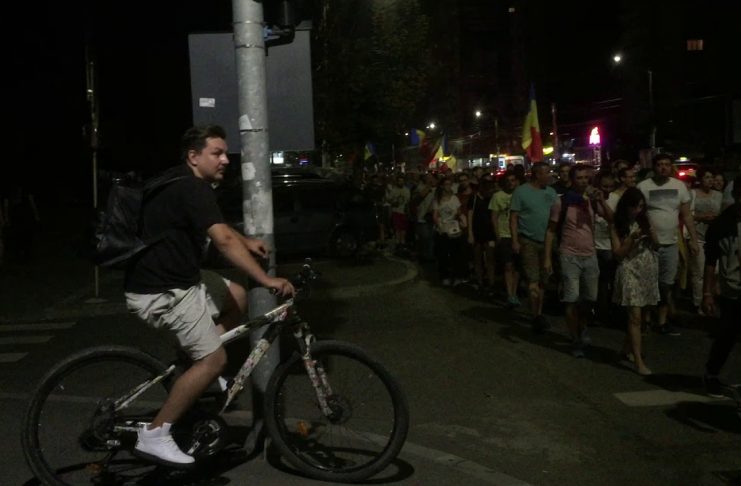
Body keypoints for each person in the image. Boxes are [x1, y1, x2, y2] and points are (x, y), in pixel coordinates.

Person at [124, 125, 294, 467]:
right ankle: (156, 434)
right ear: (194, 156)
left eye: (224, 153)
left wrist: (246, 241)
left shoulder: (182, 180)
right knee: (215, 360)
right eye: (216, 153)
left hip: (176, 278)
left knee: (237, 296)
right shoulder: (193, 188)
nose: (225, 160)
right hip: (164, 290)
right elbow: (223, 241)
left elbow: (217, 226)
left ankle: (194, 363)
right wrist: (266, 279)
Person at [545, 164, 611, 357]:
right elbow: (550, 231)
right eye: (579, 178)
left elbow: (611, 218)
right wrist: (547, 258)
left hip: (590, 255)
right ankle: (575, 339)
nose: (583, 181)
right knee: (571, 299)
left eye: (586, 178)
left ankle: (582, 327)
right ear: (572, 180)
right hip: (569, 255)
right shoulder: (562, 202)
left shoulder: (592, 200)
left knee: (590, 299)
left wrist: (601, 200)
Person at [637, 154, 699, 336]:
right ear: (654, 167)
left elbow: (686, 215)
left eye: (666, 164)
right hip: (649, 243)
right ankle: (646, 319)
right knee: (648, 282)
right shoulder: (643, 187)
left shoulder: (679, 186)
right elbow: (639, 214)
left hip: (671, 242)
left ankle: (662, 321)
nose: (663, 168)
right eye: (659, 164)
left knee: (666, 284)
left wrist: (693, 239)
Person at [611, 188, 659, 375]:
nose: (638, 210)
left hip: (646, 268)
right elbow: (618, 254)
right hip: (629, 269)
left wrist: (651, 232)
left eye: (641, 207)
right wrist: (632, 239)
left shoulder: (645, 221)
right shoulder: (616, 225)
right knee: (635, 316)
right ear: (626, 206)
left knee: (643, 316)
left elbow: (657, 245)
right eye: (635, 207)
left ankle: (626, 348)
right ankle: (638, 360)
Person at [701, 174, 741, 397]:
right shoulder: (722, 224)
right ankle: (712, 374)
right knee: (727, 335)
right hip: (732, 289)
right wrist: (707, 292)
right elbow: (710, 261)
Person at [510, 163, 558, 332]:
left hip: (547, 241)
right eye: (547, 172)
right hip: (528, 240)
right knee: (533, 280)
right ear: (537, 174)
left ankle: (538, 312)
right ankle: (535, 316)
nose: (550, 175)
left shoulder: (551, 192)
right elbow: (514, 217)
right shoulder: (521, 192)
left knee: (543, 281)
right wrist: (515, 240)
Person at [689, 168, 723, 312]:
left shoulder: (719, 195)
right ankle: (699, 304)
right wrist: (701, 217)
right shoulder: (693, 194)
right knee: (699, 272)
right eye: (707, 177)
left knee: (716, 272)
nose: (710, 180)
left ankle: (712, 300)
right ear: (700, 179)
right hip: (699, 236)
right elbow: (687, 214)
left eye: (711, 177)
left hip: (715, 238)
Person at [490, 172, 521, 308]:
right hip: (505, 234)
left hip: (519, 234)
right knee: (508, 265)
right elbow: (494, 217)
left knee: (517, 266)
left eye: (513, 180)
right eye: (508, 181)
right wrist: (497, 235)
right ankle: (510, 294)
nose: (510, 183)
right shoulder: (498, 196)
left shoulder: (520, 195)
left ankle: (514, 292)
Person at [592, 171, 617, 324]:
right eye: (604, 187)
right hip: (593, 245)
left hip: (609, 246)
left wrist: (602, 201)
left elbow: (612, 218)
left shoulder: (615, 199)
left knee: (608, 281)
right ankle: (597, 311)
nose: (607, 190)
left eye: (610, 187)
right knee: (595, 282)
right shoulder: (590, 199)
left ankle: (606, 311)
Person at [433, 178, 467, 286]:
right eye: (446, 184)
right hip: (443, 229)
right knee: (443, 255)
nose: (448, 186)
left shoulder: (454, 198)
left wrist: (461, 221)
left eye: (450, 184)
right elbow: (435, 215)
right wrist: (440, 225)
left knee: (456, 254)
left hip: (454, 229)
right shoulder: (437, 200)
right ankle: (445, 276)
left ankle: (457, 276)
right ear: (442, 186)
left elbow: (459, 212)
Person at [467, 178, 495, 291]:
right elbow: (470, 216)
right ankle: (480, 281)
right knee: (477, 258)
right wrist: (470, 233)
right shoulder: (474, 198)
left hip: (489, 232)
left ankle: (491, 282)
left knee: (490, 259)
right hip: (477, 231)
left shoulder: (491, 198)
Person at [385, 174, 410, 250]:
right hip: (396, 211)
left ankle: (402, 242)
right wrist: (393, 203)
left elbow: (408, 202)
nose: (400, 182)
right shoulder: (394, 190)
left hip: (404, 212)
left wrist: (407, 211)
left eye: (402, 181)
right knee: (397, 229)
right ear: (397, 182)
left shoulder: (407, 190)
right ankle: (398, 243)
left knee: (403, 229)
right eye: (399, 181)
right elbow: (389, 199)